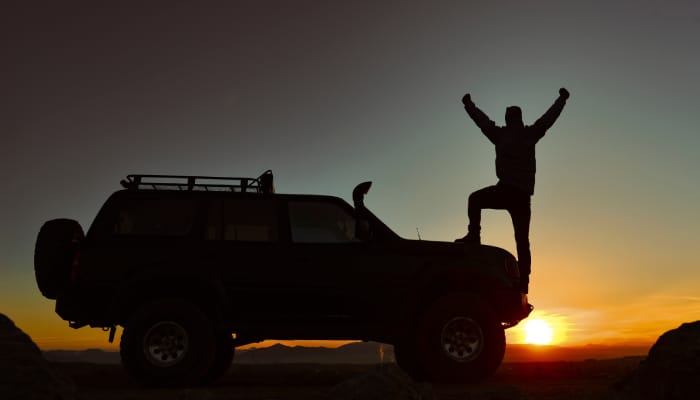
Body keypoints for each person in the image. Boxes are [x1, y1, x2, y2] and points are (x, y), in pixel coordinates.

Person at [456, 88, 570, 294]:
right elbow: (548, 118)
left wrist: (469, 106)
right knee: (522, 239)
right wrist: (561, 100)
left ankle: (475, 235)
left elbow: (482, 121)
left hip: (510, 191)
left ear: (510, 119)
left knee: (476, 200)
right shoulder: (527, 133)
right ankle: (524, 282)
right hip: (519, 195)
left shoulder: (503, 134)